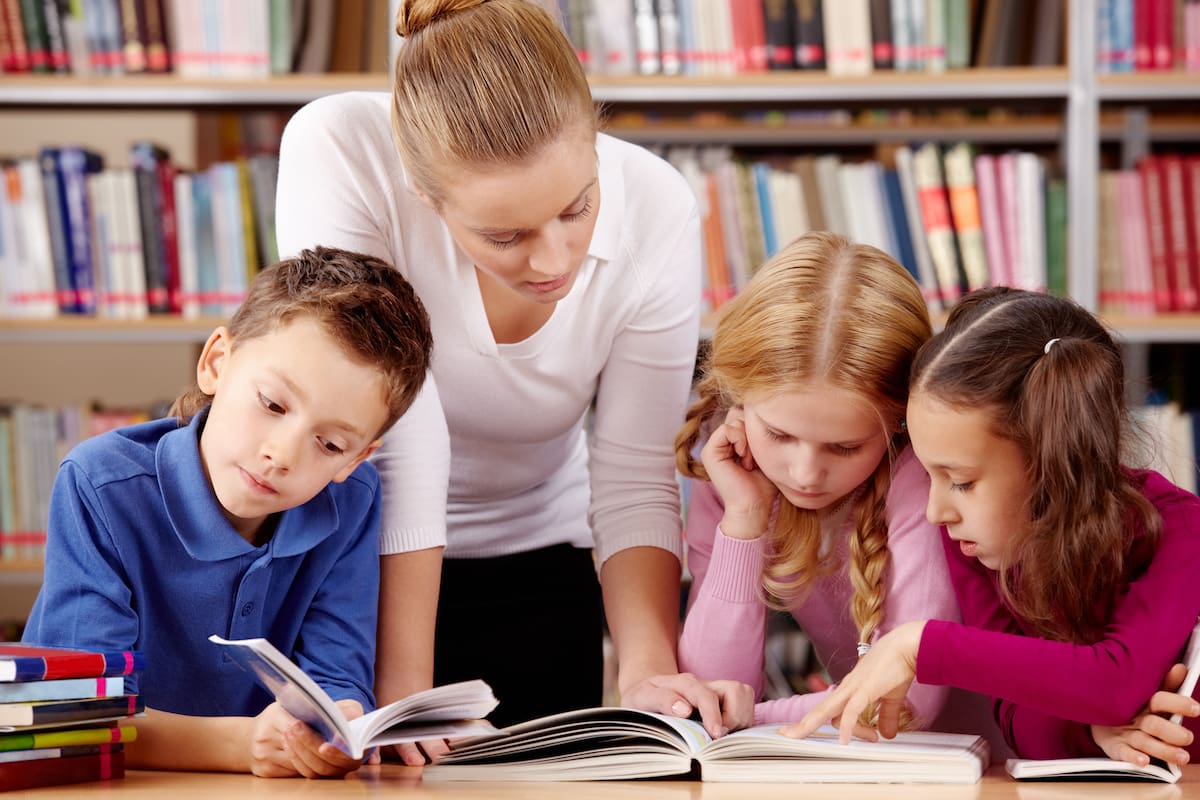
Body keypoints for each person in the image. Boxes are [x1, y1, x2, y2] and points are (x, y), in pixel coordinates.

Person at [273, 0, 722, 755]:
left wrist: (646, 669)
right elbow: (396, 422)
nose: (553, 261)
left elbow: (634, 469)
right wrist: (406, 691)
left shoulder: (659, 207)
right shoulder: (341, 150)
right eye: (505, 235)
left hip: (541, 558)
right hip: (350, 568)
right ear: (425, 195)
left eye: (578, 208)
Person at [22, 248, 434, 778]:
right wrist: (240, 746)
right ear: (217, 362)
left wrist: (338, 728)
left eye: (329, 444)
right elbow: (77, 716)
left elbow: (338, 677)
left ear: (357, 458)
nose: (282, 455)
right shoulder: (100, 484)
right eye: (273, 405)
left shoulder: (353, 500)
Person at [785, 287, 1200, 768]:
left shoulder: (1180, 527)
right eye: (929, 475)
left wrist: (922, 643)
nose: (935, 512)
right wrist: (1089, 728)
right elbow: (1019, 726)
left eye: (960, 482)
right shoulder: (974, 543)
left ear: (1051, 465)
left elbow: (1113, 682)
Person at [674, 231, 1002, 748]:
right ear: (738, 401)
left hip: (991, 763)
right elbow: (711, 693)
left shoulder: (921, 475)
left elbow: (910, 696)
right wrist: (744, 519)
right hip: (875, 759)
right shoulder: (734, 470)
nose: (805, 473)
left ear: (899, 422)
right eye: (779, 434)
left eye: (845, 448)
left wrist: (749, 716)